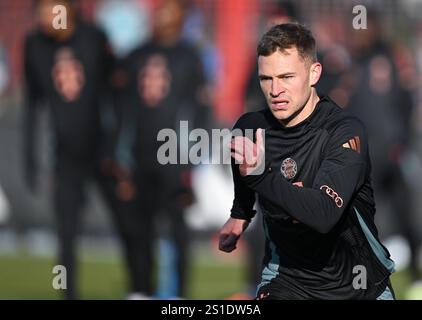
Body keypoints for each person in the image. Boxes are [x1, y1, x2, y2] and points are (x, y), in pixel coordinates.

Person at [219, 23, 396, 300]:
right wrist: (240, 211)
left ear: (314, 73)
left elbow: (324, 214)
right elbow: (240, 159)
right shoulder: (250, 128)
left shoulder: (345, 132)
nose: (275, 90)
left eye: (287, 76)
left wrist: (261, 177)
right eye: (266, 79)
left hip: (360, 288)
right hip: (286, 281)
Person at [23, 0, 138, 299]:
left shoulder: (93, 37)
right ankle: (68, 294)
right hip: (65, 154)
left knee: (127, 219)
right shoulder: (34, 45)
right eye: (42, 10)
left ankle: (139, 290)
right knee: (66, 231)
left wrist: (117, 148)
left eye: (52, 8)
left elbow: (120, 89)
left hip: (101, 149)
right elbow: (32, 105)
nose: (45, 16)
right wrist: (30, 157)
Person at [114, 0, 206, 299]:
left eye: (171, 8)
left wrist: (192, 158)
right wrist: (119, 157)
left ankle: (179, 294)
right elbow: (120, 109)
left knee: (178, 230)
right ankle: (141, 289)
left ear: (181, 14)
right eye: (161, 7)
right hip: (139, 157)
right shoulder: (135, 55)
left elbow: (200, 112)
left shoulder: (190, 57)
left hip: (175, 158)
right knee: (138, 229)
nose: (163, 14)